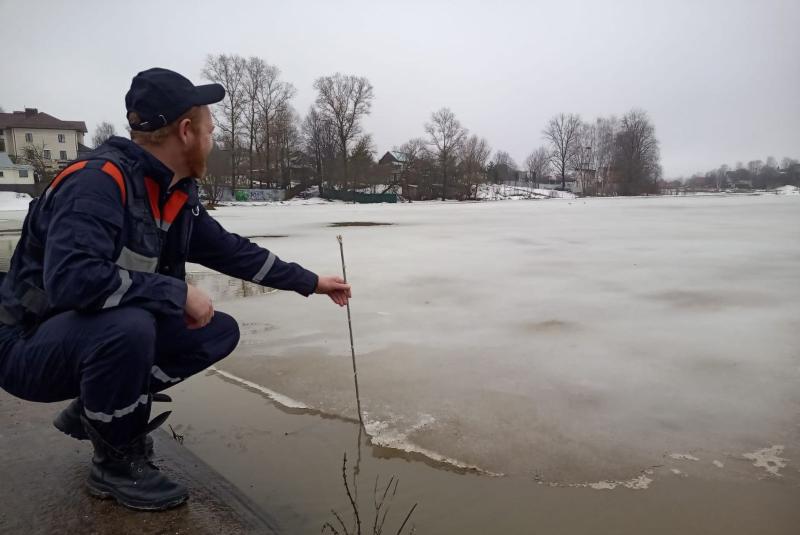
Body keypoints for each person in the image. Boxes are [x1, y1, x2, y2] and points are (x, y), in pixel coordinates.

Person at [0, 67, 351, 511]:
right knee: (128, 327)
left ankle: (97, 407)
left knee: (216, 331)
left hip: (75, 338)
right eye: (210, 128)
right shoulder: (97, 183)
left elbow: (229, 251)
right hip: (24, 344)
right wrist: (176, 293)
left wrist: (311, 282)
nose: (212, 138)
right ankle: (114, 462)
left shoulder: (171, 192)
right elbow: (73, 280)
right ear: (186, 131)